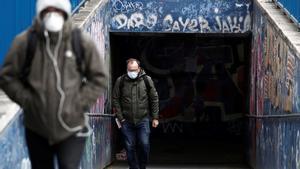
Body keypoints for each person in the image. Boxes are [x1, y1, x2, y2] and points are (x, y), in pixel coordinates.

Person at [0, 0, 107, 168]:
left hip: (72, 126)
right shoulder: (25, 41)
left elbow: (99, 77)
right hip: (37, 127)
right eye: (47, 10)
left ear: (64, 12)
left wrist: (79, 103)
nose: (52, 14)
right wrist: (27, 100)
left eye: (56, 10)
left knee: (68, 166)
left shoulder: (80, 41)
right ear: (40, 13)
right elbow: (7, 76)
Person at [112, 58, 159, 169]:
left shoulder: (147, 80)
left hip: (143, 119)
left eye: (134, 70)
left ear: (139, 69)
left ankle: (142, 167)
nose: (132, 72)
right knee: (129, 146)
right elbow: (115, 99)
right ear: (127, 69)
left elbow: (154, 98)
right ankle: (133, 167)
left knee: (144, 144)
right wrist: (121, 117)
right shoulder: (121, 81)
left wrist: (155, 117)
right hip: (126, 121)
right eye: (129, 70)